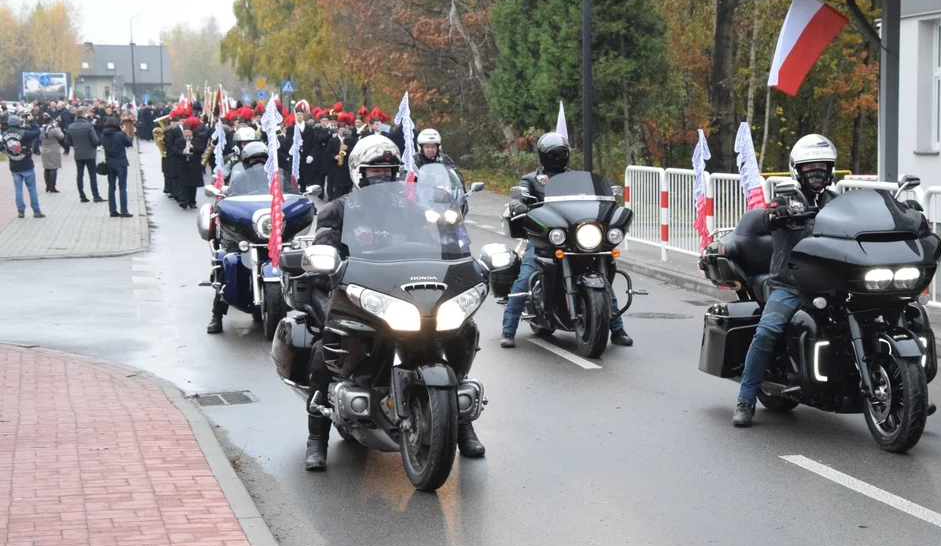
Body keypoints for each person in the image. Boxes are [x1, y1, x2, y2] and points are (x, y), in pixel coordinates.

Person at [301, 134, 486, 471]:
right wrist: (325, 260)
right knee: (323, 349)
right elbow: (324, 246)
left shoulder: (414, 208)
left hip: (402, 291)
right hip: (357, 293)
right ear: (360, 172)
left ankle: (461, 423)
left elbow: (443, 242)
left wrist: (457, 246)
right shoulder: (338, 209)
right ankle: (317, 438)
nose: (382, 176)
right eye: (375, 171)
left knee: (459, 332)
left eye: (388, 169)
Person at [732, 134, 839, 428]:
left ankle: (901, 391)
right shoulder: (786, 195)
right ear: (798, 170)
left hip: (833, 284)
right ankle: (745, 400)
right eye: (810, 167)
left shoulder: (836, 201)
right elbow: (769, 216)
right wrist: (777, 213)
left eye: (823, 166)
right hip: (790, 284)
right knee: (766, 332)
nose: (817, 172)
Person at [499, 132, 633, 349]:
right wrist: (518, 204)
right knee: (525, 277)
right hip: (545, 240)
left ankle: (617, 329)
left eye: (561, 154)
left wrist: (608, 196)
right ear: (543, 155)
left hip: (574, 239)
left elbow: (593, 201)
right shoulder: (531, 179)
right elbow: (519, 197)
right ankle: (508, 329)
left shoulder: (579, 179)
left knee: (604, 282)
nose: (558, 158)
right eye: (554, 154)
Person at [207, 141, 271, 335]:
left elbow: (288, 195)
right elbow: (227, 201)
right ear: (246, 162)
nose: (258, 164)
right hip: (242, 231)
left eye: (262, 159)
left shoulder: (275, 179)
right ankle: (217, 316)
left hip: (265, 230)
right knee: (227, 264)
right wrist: (223, 200)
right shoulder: (239, 180)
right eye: (254, 160)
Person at [3, 114, 45, 218]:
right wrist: (32, 121)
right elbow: (36, 132)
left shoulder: (4, 134)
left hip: (14, 165)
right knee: (32, 188)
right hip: (26, 164)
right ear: (18, 122)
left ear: (9, 123)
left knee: (18, 189)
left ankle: (21, 211)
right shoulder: (24, 133)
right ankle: (36, 211)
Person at [65, 108, 104, 203]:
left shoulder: (70, 126)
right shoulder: (89, 125)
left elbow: (67, 141)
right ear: (84, 115)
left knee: (80, 175)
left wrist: (76, 145)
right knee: (92, 175)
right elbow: (95, 140)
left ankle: (82, 196)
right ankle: (96, 195)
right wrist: (98, 143)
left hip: (78, 154)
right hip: (90, 154)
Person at [101, 116, 135, 218]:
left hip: (110, 163)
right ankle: (124, 210)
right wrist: (125, 132)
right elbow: (129, 143)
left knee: (111, 188)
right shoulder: (119, 135)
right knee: (122, 188)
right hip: (121, 163)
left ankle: (112, 210)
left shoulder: (103, 135)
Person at [39, 114, 65, 193]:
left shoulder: (41, 129)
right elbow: (61, 137)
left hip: (44, 149)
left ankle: (47, 186)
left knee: (46, 168)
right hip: (53, 150)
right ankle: (52, 187)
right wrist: (59, 129)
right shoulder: (54, 130)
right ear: (51, 122)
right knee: (54, 168)